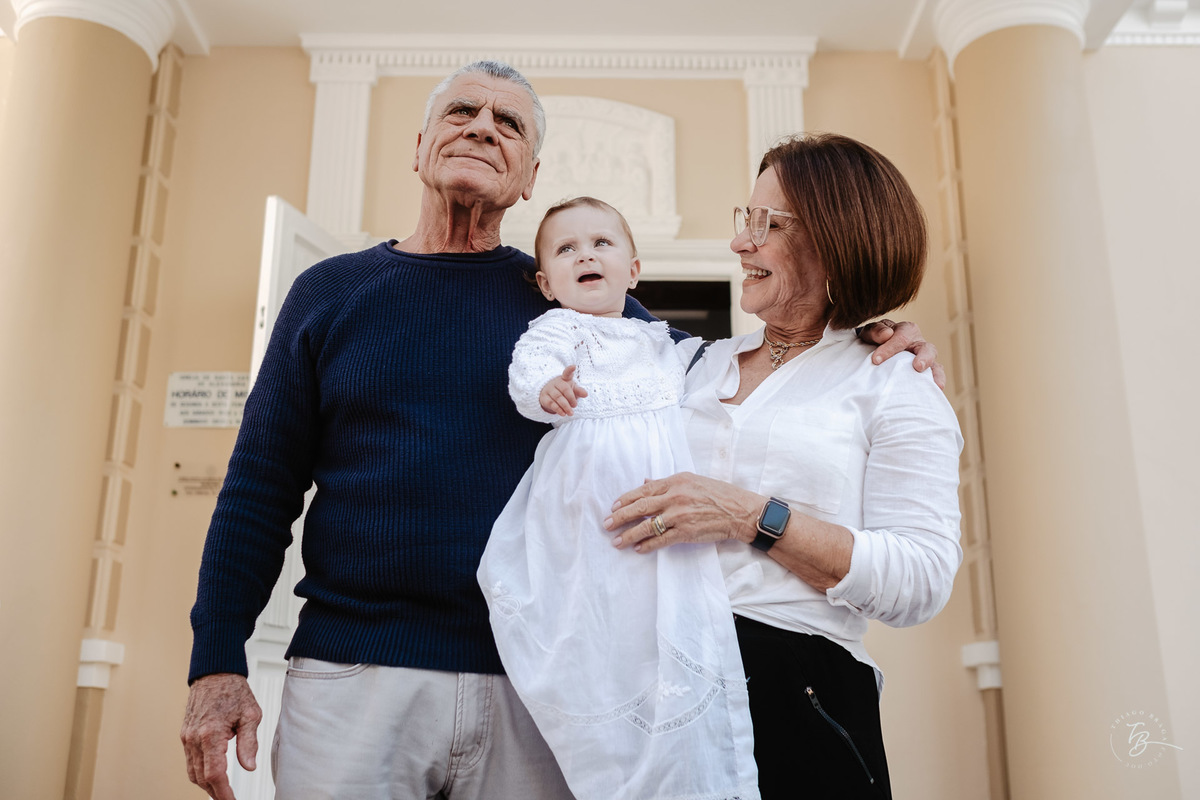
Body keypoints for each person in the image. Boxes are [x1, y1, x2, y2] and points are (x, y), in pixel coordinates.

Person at [179, 58, 941, 800]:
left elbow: (714, 363)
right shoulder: (328, 294)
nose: (482, 128)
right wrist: (217, 659)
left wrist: (868, 329)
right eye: (460, 112)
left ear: (530, 177)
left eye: (507, 123)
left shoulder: (573, 304)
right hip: (354, 666)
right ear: (419, 148)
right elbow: (258, 488)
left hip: (538, 681)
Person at [605, 133, 964, 799]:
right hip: (648, 693)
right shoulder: (686, 364)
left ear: (838, 237)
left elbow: (922, 577)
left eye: (768, 223)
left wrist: (751, 516)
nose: (743, 242)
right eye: (746, 220)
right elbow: (569, 302)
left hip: (798, 697)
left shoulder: (894, 382)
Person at [477, 197, 757, 800]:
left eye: (602, 243)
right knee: (590, 616)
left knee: (658, 625)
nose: (586, 255)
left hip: (659, 510)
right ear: (546, 283)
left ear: (632, 271)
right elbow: (527, 374)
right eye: (567, 248)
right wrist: (546, 390)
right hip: (584, 507)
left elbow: (737, 364)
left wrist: (850, 338)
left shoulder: (663, 343)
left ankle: (673, 761)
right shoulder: (554, 330)